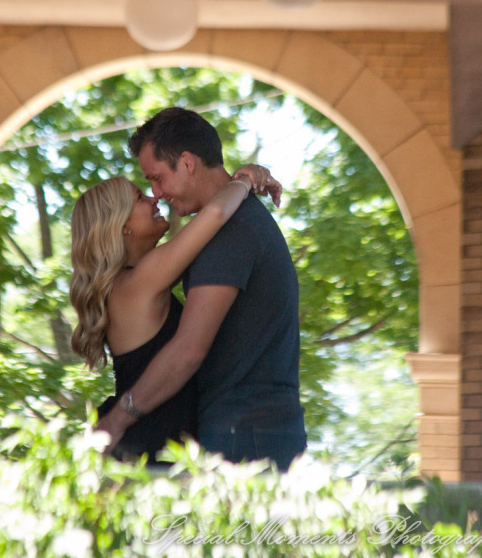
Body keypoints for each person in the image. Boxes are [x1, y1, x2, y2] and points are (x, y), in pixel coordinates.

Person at [96, 107, 307, 471]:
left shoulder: (229, 232)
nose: (156, 193)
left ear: (188, 163)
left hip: (243, 433)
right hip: (249, 428)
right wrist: (243, 179)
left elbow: (189, 350)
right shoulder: (232, 223)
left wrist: (115, 421)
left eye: (158, 178)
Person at [69, 159, 280, 464]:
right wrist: (245, 180)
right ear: (122, 225)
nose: (155, 198)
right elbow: (216, 213)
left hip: (155, 446)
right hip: (148, 449)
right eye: (140, 198)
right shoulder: (135, 284)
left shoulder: (130, 284)